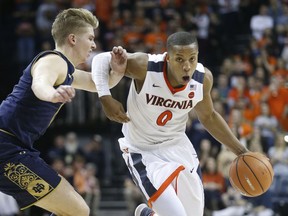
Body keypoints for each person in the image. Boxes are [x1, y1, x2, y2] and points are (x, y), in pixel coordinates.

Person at [92, 31, 259, 216]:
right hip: (143, 151)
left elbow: (209, 116)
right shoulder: (145, 67)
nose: (187, 66)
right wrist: (105, 97)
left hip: (178, 147)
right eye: (179, 59)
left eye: (192, 59)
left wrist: (242, 151)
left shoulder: (202, 79)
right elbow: (101, 59)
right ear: (168, 58)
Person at [0, 8, 127, 216]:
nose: (94, 45)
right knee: (77, 211)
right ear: (73, 39)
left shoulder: (67, 71)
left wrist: (118, 72)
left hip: (13, 147)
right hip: (6, 147)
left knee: (70, 210)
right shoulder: (52, 61)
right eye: (90, 38)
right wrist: (52, 94)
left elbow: (98, 83)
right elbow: (40, 84)